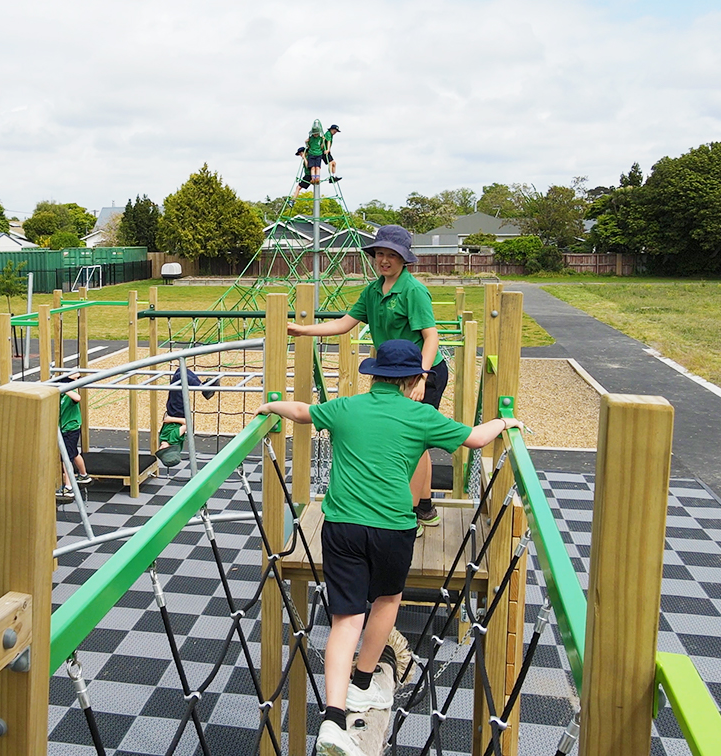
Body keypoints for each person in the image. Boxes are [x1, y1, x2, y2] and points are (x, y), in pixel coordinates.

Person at [256, 340, 522, 756]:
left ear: (373, 374)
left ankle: (332, 716)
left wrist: (273, 407)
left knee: (345, 620)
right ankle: (363, 681)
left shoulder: (346, 407)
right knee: (387, 600)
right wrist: (506, 423)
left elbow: (303, 413)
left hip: (341, 526)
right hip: (392, 529)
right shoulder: (422, 415)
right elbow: (474, 439)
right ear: (415, 380)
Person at [287, 224, 447, 534]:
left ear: (404, 260)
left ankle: (412, 513)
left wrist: (422, 378)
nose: (384, 260)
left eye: (391, 255)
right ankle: (425, 507)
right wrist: (304, 330)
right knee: (416, 440)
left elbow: (431, 337)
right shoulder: (374, 291)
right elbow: (345, 323)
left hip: (421, 371)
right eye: (380, 254)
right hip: (396, 372)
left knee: (413, 440)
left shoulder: (412, 290)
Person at [155, 366, 216, 467]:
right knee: (180, 377)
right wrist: (170, 419)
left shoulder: (165, 439)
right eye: (163, 449)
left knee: (180, 371)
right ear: (170, 448)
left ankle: (203, 386)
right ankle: (203, 388)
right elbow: (187, 423)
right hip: (177, 411)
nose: (160, 447)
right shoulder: (173, 439)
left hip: (173, 410)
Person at [59, 373, 93, 498]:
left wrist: (65, 387)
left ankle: (68, 487)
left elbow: (78, 398)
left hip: (71, 428)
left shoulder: (69, 393)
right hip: (63, 429)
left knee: (66, 457)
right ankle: (83, 475)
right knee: (73, 453)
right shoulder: (58, 395)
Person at [305, 120, 327, 184]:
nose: (316, 135)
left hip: (318, 154)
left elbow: (322, 147)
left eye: (317, 133)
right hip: (311, 153)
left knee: (317, 167)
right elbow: (308, 146)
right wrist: (306, 142)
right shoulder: (310, 138)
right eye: (315, 133)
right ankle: (313, 178)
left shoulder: (320, 138)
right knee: (312, 167)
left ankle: (317, 178)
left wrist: (323, 141)